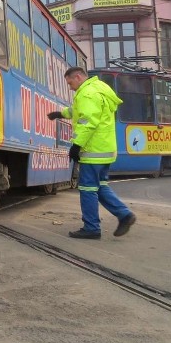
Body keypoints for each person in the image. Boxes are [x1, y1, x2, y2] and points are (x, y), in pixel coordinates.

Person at [47, 67, 136, 239]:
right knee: (100, 186)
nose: (70, 87)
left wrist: (76, 145)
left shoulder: (87, 93)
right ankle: (124, 215)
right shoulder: (99, 89)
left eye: (70, 83)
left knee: (87, 189)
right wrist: (60, 113)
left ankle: (92, 228)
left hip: (93, 151)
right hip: (105, 150)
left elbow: (88, 121)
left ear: (78, 77)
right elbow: (79, 111)